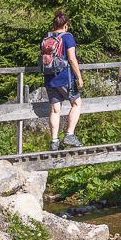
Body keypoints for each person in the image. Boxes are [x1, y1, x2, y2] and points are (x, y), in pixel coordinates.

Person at [42, 11, 84, 150]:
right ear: (65, 26)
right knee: (76, 103)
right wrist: (79, 76)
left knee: (55, 109)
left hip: (49, 78)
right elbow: (72, 58)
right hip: (65, 77)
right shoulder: (67, 37)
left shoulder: (47, 37)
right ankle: (70, 134)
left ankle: (54, 141)